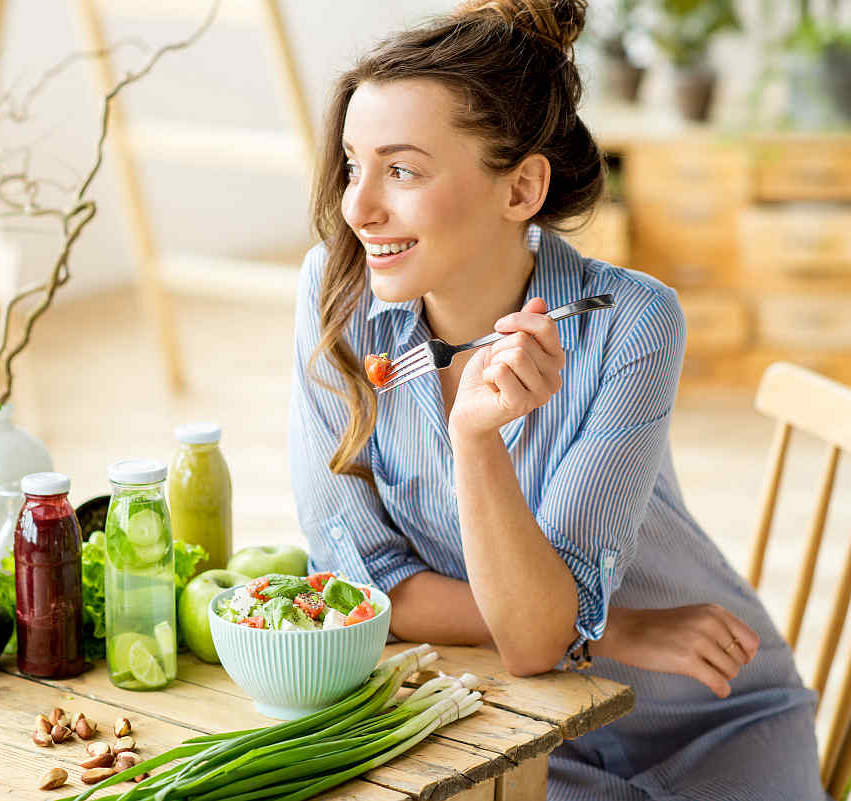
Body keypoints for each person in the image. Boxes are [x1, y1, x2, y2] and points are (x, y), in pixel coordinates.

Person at [287, 2, 826, 798]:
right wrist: (608, 627)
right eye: (353, 164)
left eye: (400, 170)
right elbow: (364, 584)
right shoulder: (335, 298)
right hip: (525, 722)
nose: (357, 207)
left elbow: (536, 634)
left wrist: (476, 445)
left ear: (522, 188)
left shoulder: (630, 321)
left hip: (713, 714)